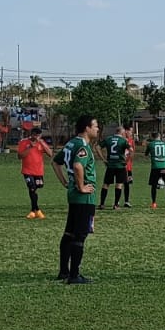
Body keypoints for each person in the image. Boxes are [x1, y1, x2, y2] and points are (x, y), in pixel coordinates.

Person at [57, 116, 100, 284]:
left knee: (69, 233)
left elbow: (55, 162)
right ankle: (74, 275)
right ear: (86, 128)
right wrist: (81, 186)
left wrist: (65, 182)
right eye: (95, 126)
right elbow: (77, 165)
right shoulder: (83, 146)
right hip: (84, 197)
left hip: (73, 195)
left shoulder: (70, 143)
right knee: (80, 235)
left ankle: (64, 271)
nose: (97, 129)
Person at [18, 126, 54, 219]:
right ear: (31, 135)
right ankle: (35, 210)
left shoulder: (41, 143)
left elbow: (50, 154)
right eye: (35, 135)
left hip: (38, 171)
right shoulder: (24, 142)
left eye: (38, 135)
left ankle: (35, 210)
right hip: (27, 170)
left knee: (37, 187)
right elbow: (20, 156)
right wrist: (30, 147)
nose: (36, 137)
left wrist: (42, 143)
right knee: (32, 188)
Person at [99, 126, 132, 210]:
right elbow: (131, 150)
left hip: (110, 165)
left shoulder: (108, 139)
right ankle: (116, 205)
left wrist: (103, 159)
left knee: (106, 184)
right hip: (120, 165)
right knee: (119, 184)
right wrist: (126, 160)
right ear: (121, 132)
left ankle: (102, 204)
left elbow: (97, 147)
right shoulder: (123, 140)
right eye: (124, 132)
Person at [147, 131, 165, 208]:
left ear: (152, 137)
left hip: (155, 167)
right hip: (164, 167)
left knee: (154, 185)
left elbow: (147, 154)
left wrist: (152, 158)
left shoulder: (151, 144)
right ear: (159, 136)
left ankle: (154, 203)